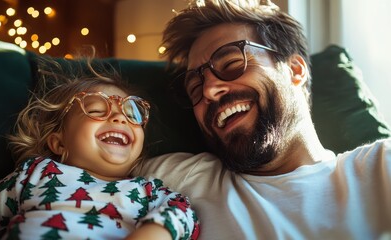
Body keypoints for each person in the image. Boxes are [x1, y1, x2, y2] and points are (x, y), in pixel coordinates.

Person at [134, 0, 391, 239]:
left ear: (295, 70)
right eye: (194, 89)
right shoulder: (180, 177)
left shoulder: (379, 170)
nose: (209, 91)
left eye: (232, 63)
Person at [0, 61, 200, 240]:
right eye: (97, 110)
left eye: (132, 115)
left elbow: (183, 213)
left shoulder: (146, 190)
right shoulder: (35, 173)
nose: (119, 118)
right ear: (59, 143)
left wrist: (154, 232)